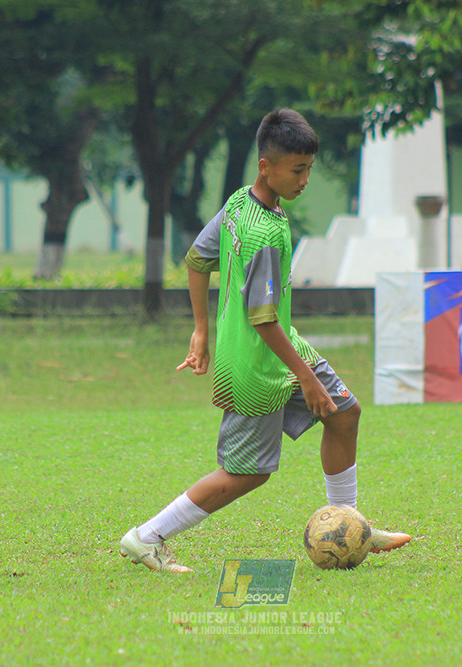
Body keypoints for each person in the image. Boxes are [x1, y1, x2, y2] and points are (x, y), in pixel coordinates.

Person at [119, 108, 411, 573]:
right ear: (265, 166)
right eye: (297, 170)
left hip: (281, 349)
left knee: (344, 414)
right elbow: (262, 319)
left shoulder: (241, 203)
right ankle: (146, 537)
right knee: (247, 473)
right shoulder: (262, 233)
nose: (305, 180)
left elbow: (197, 260)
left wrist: (201, 328)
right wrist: (305, 378)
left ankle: (350, 524)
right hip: (254, 366)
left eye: (309, 169)